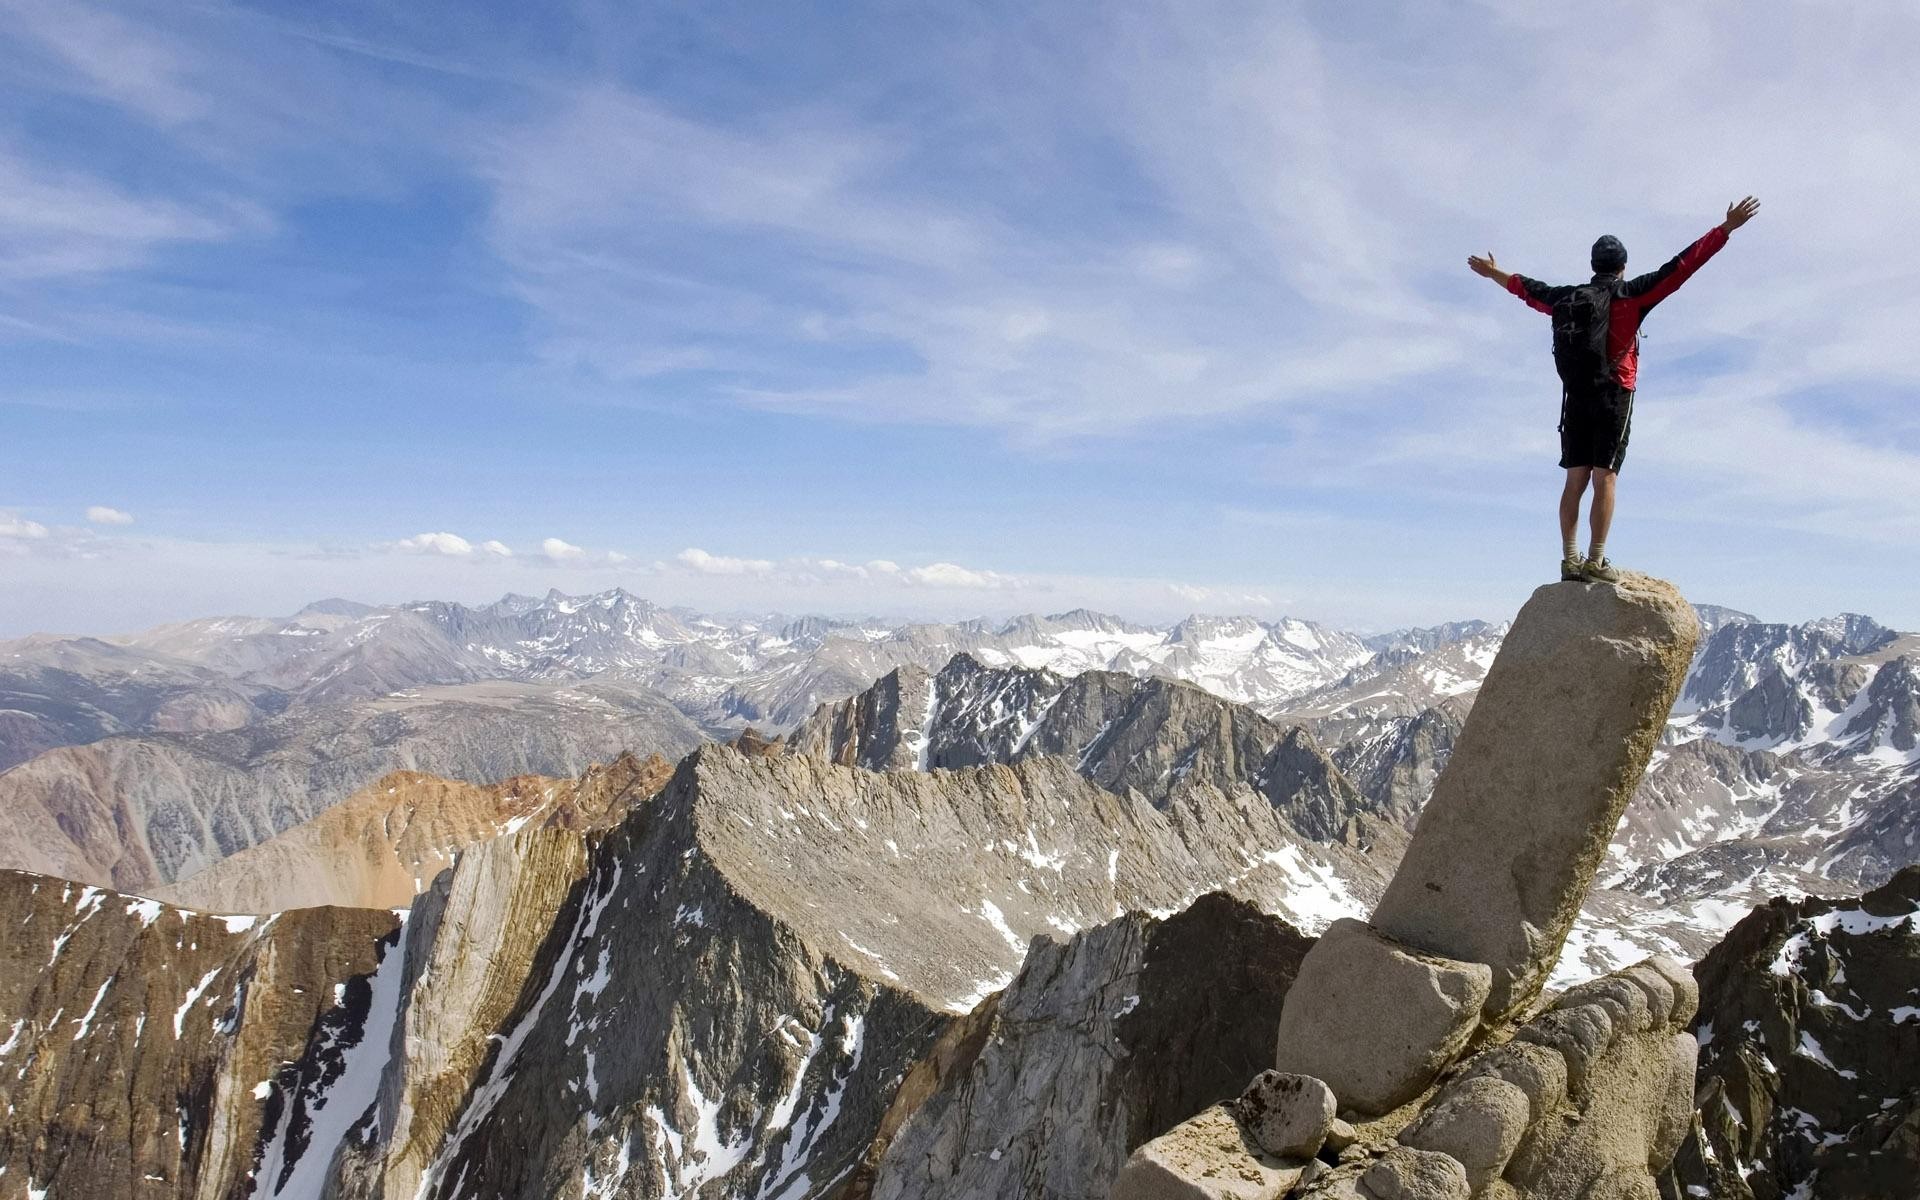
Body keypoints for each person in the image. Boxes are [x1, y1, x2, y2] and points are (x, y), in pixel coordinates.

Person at [1467, 196, 1760, 583]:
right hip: (1614, 394)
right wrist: (1724, 230)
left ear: (1593, 266)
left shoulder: (1566, 299)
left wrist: (1494, 273)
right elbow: (1682, 267)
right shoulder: (1631, 294)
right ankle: (1596, 560)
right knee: (1605, 477)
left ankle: (1569, 560)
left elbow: (1526, 288)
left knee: (1575, 479)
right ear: (1622, 267)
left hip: (1575, 396)